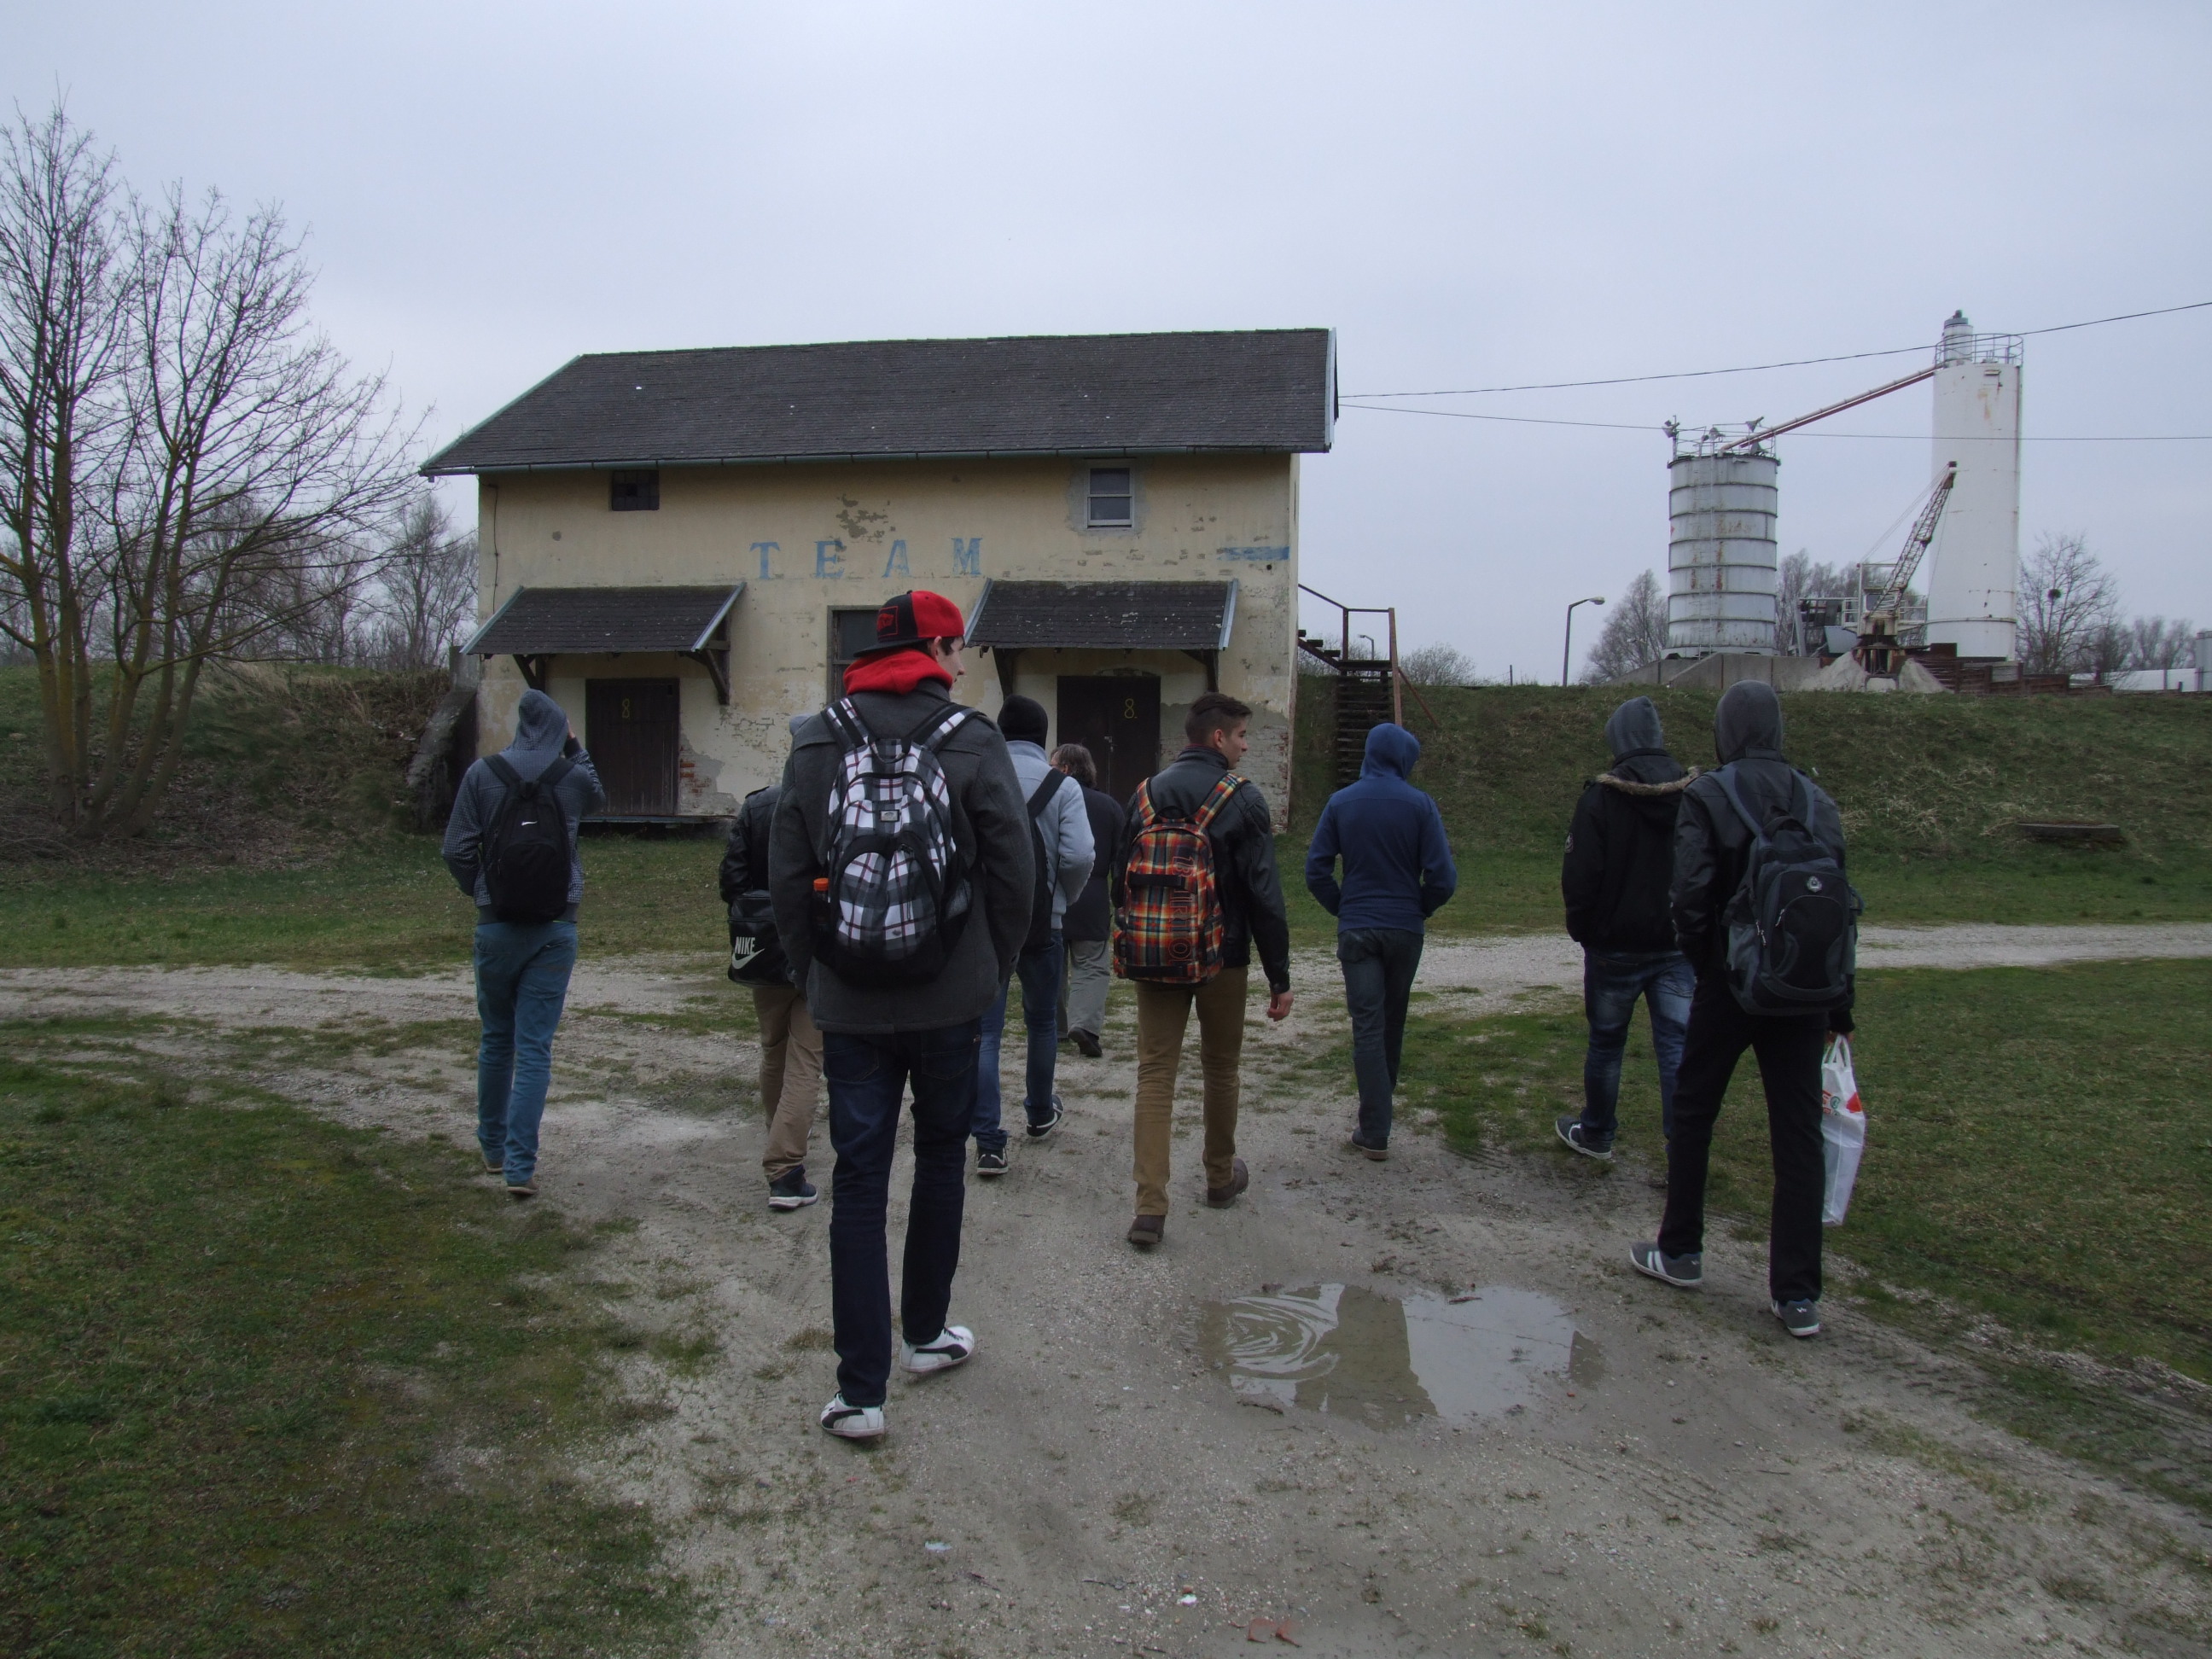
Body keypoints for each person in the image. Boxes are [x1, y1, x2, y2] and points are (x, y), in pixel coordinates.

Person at [769, 590, 1032, 1439]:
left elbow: (786, 874)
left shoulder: (818, 739)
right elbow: (1014, 869)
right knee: (943, 1158)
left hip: (849, 999)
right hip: (951, 996)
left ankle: (860, 1393)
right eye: (958, 650)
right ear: (938, 650)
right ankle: (925, 1335)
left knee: (858, 1177)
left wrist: (814, 971)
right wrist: (990, 968)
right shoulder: (974, 740)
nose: (962, 666)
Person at [1633, 681, 1854, 1341]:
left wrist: (1709, 965)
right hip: (1802, 988)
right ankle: (1798, 1293)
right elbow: (1837, 909)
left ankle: (1681, 1250)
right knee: (1799, 1134)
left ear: (1726, 730)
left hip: (1731, 982)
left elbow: (1689, 895)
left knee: (1694, 1111)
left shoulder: (1709, 795)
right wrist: (1838, 1001)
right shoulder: (1817, 800)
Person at [1112, 690, 1293, 1249]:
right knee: (1220, 1068)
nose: (1245, 746)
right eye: (1241, 736)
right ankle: (1219, 1178)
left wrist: (1142, 934)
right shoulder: (1243, 799)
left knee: (1155, 1074)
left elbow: (1120, 877)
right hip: (1223, 959)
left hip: (1154, 958)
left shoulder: (1144, 794)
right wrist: (1279, 976)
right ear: (1218, 737)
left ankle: (1149, 1208)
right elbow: (1264, 895)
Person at [441, 688, 607, 1198]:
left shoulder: (481, 773)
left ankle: (492, 1149)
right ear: (558, 729)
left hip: (495, 926)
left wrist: (483, 891)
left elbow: (455, 849)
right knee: (534, 1048)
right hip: (556, 926)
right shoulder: (572, 777)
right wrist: (575, 746)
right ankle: (520, 1168)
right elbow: (600, 799)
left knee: (497, 1038)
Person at [1304, 722, 1457, 1160]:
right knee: (1393, 1019)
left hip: (1358, 927)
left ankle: (1375, 1129)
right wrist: (1420, 907)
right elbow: (1443, 877)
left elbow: (1316, 870)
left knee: (1367, 1024)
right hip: (1405, 927)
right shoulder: (1421, 805)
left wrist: (1343, 906)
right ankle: (1379, 1115)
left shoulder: (1340, 802)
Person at [1556, 696, 1697, 1160]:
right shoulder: (1694, 795)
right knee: (1676, 1046)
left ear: (1617, 739)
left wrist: (1585, 930)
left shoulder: (1600, 799)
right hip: (1676, 943)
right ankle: (1684, 1152)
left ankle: (1597, 1134)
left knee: (1606, 1043)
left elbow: (1580, 876)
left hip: (1614, 946)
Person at [971, 695, 1093, 1177]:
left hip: (987, 925)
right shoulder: (1063, 786)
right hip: (1044, 923)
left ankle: (988, 1142)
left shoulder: (980, 777)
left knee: (986, 1033)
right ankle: (1040, 1112)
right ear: (1044, 738)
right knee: (1042, 1023)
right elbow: (1080, 855)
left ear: (1000, 733)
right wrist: (1061, 898)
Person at [719, 724, 822, 1210]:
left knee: (774, 1049)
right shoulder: (830, 803)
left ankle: (779, 1133)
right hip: (816, 946)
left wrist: (757, 915)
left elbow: (732, 880)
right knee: (806, 1059)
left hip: (764, 946)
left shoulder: (758, 805)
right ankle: (784, 1166)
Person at [1052, 742, 1124, 1058]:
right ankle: (1084, 1024)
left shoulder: (1049, 801)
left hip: (1054, 891)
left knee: (1052, 963)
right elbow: (1122, 856)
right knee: (1091, 964)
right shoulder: (1109, 806)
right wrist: (1119, 897)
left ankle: (1055, 1026)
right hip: (1093, 893)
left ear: (1065, 769)